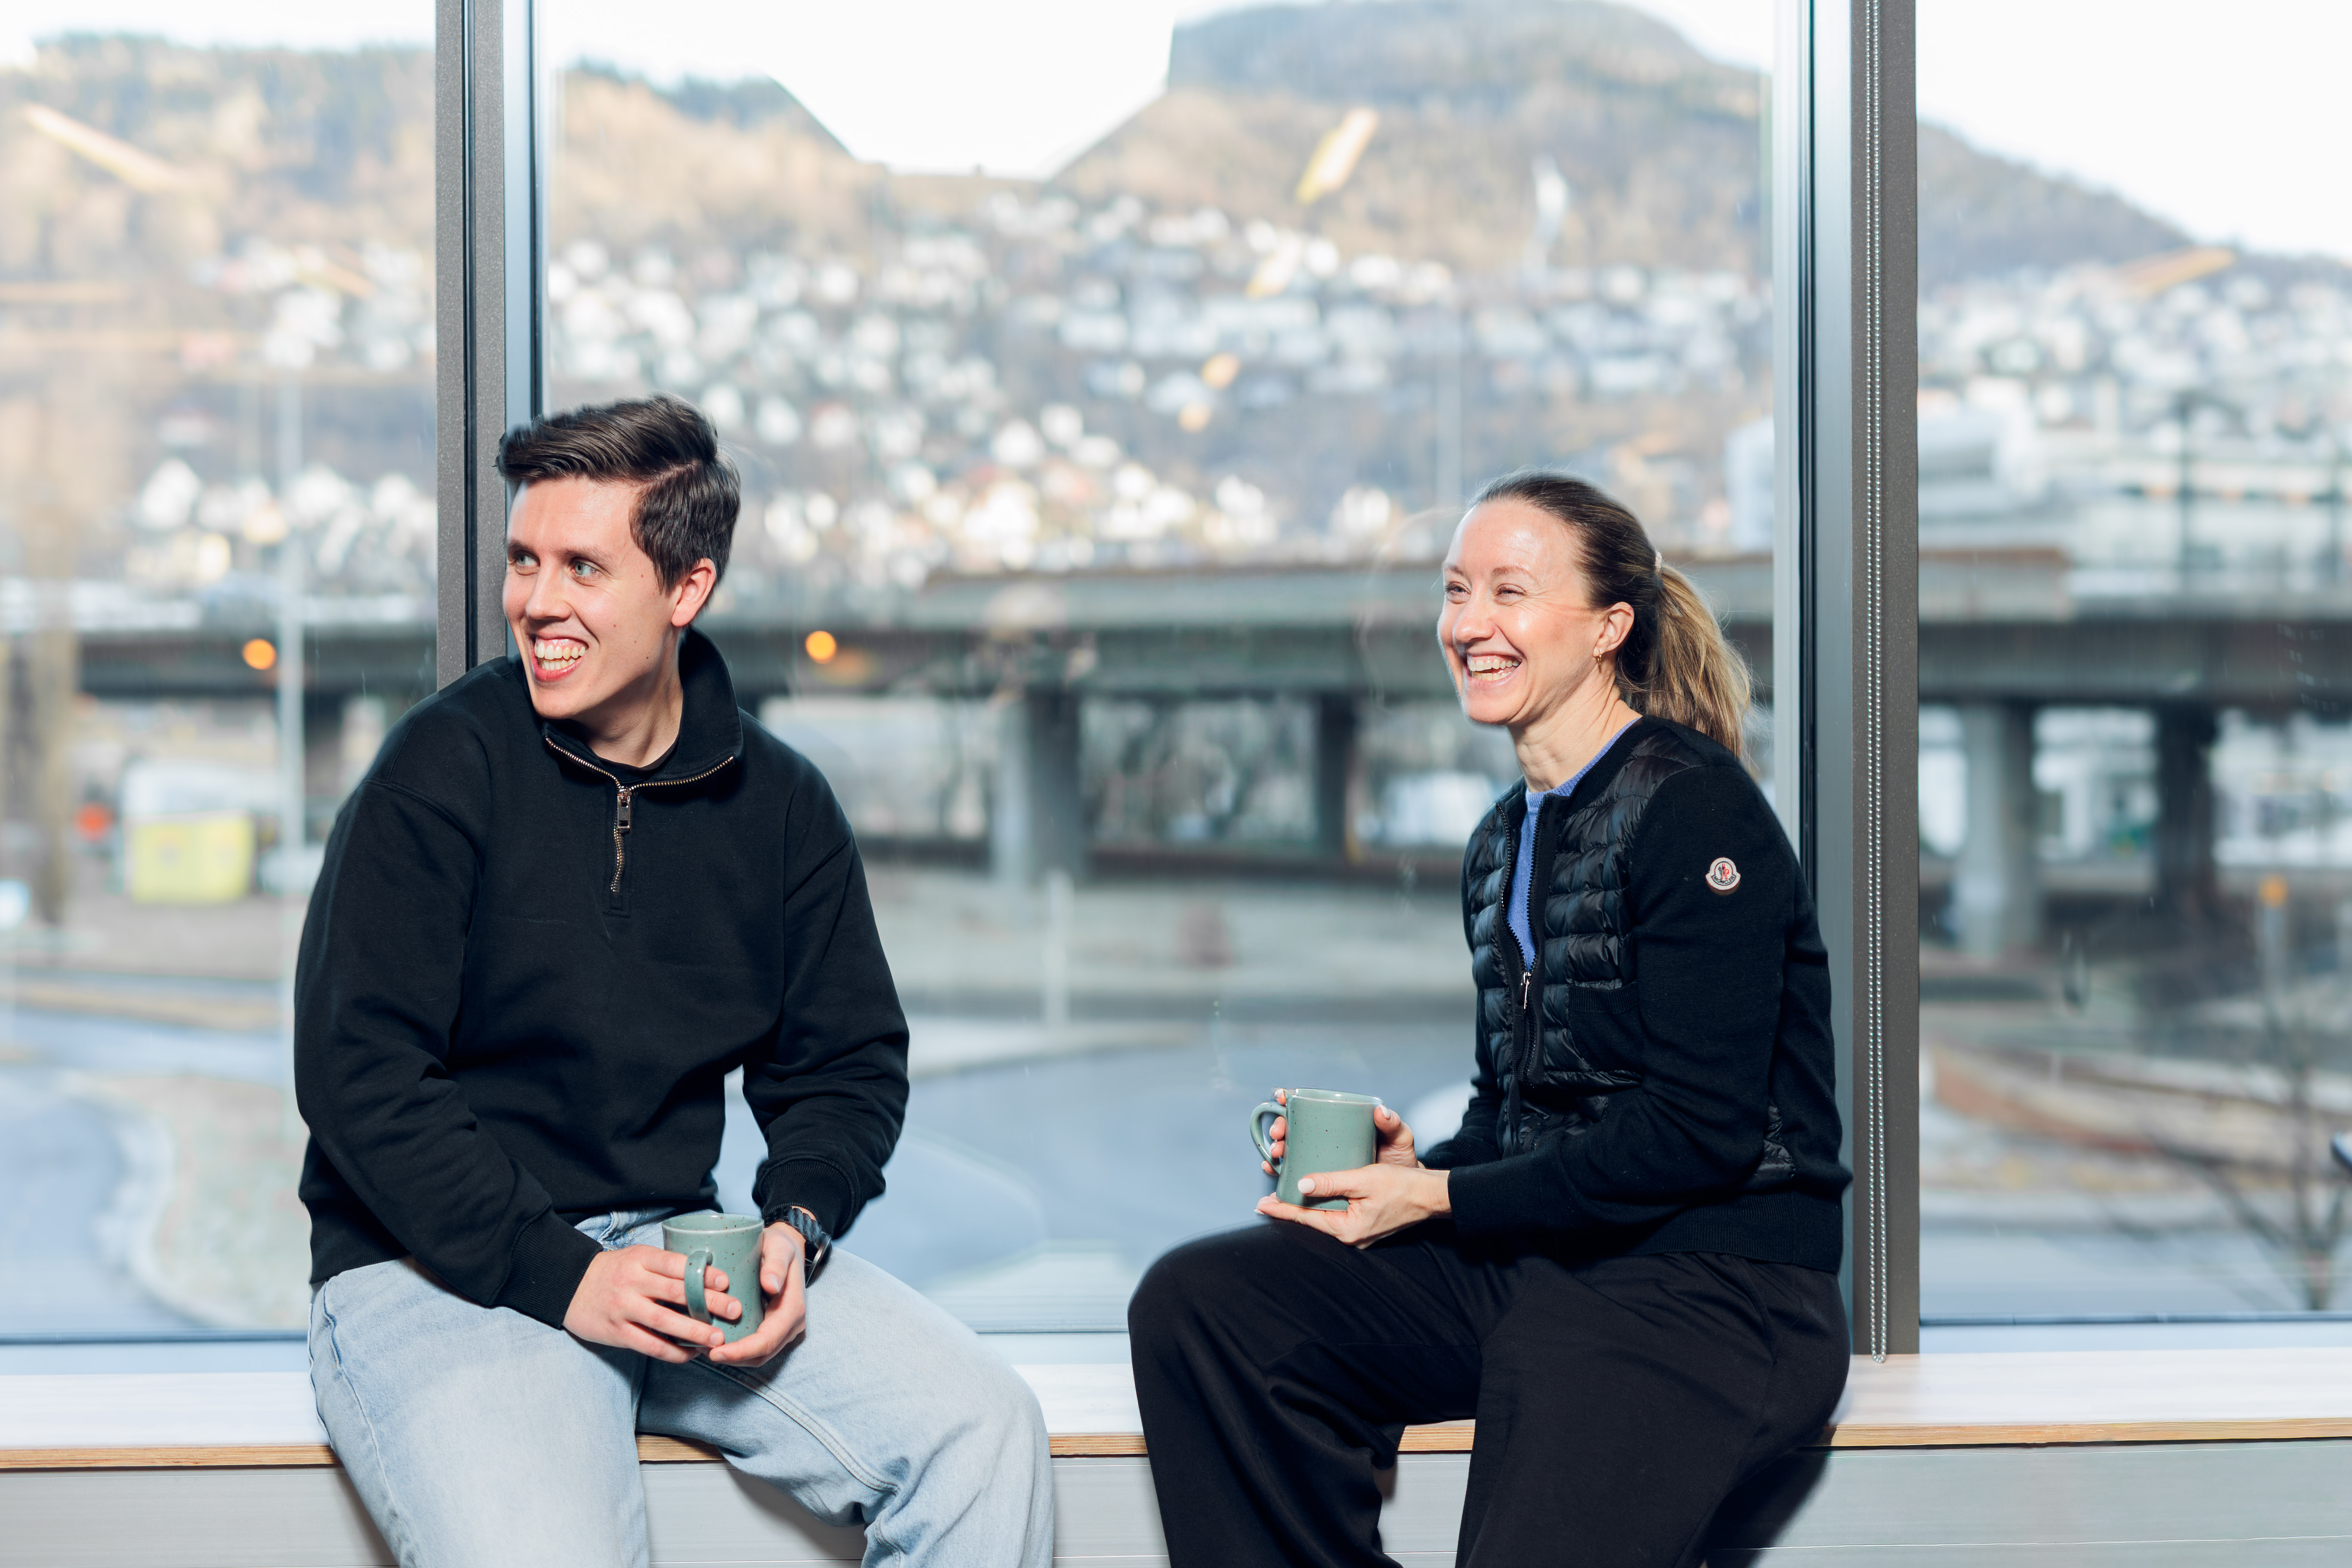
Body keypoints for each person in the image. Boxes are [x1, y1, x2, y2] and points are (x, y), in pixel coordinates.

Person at [295, 395, 1051, 1568]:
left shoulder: (783, 806)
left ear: (685, 589)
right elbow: (362, 1079)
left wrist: (798, 1223)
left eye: (582, 569)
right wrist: (565, 1277)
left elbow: (846, 1064)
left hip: (669, 1252)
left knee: (983, 1432)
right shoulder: (439, 770)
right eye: (525, 561)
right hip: (434, 1271)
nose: (536, 603)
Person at [1128, 471, 1851, 1568]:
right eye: (1457, 591)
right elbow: (1520, 1111)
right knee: (1204, 1304)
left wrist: (1445, 1196)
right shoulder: (1503, 839)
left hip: (1714, 1281)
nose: (1469, 625)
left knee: (1556, 1360)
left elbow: (1700, 1128)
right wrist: (1418, 1167)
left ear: (1611, 626)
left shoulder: (1695, 809)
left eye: (1509, 591)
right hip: (1551, 1259)